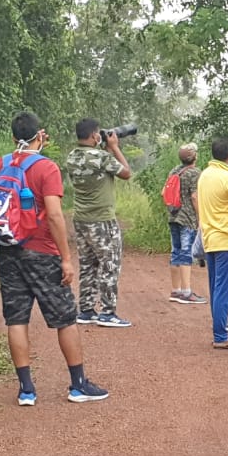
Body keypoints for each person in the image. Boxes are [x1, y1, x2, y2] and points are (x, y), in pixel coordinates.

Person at [0, 112, 108, 405]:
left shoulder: (0, 164)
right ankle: (78, 385)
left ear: (12, 137)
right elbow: (55, 215)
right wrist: (66, 258)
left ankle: (26, 390)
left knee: (16, 318)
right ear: (39, 136)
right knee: (65, 318)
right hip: (42, 252)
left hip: (8, 249)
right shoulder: (47, 168)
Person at [66, 118, 132, 327]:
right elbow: (126, 173)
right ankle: (108, 312)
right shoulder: (102, 157)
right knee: (109, 264)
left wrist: (104, 148)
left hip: (81, 219)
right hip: (102, 219)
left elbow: (92, 163)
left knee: (88, 265)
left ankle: (86, 310)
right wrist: (113, 147)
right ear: (95, 135)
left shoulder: (72, 157)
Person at [198, 138, 228, 350]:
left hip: (210, 238)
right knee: (225, 290)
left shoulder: (205, 175)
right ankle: (220, 335)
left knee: (216, 287)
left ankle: (220, 330)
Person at [167, 143, 206, 304]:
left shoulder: (174, 171)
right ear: (194, 156)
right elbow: (195, 197)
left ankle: (176, 290)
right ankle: (186, 292)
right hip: (187, 218)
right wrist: (200, 218)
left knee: (176, 251)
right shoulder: (195, 173)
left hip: (173, 215)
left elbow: (165, 192)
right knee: (186, 252)